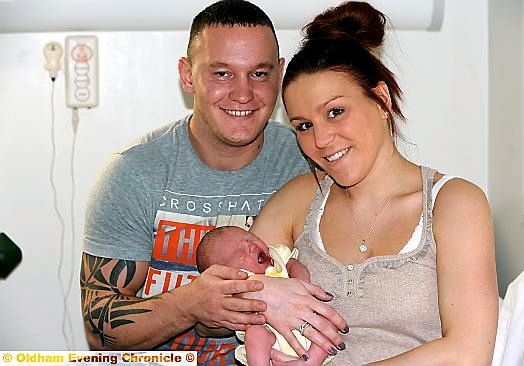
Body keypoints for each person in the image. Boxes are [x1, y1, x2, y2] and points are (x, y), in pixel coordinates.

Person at [79, 1, 348, 365]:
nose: (243, 94)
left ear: (280, 74)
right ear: (187, 76)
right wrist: (192, 305)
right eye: (222, 73)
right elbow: (99, 331)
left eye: (259, 74)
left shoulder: (312, 159)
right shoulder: (135, 173)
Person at [249, 1, 500, 365]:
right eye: (304, 126)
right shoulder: (300, 199)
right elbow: (230, 284)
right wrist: (262, 294)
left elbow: (469, 352)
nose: (320, 140)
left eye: (335, 112)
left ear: (381, 99)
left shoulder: (454, 203)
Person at [196, 226, 331, 366]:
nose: (251, 247)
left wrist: (301, 284)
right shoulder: (235, 292)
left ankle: (311, 362)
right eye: (240, 254)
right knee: (255, 334)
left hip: (307, 324)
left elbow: (295, 265)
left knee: (325, 320)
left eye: (250, 239)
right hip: (271, 338)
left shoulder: (277, 257)